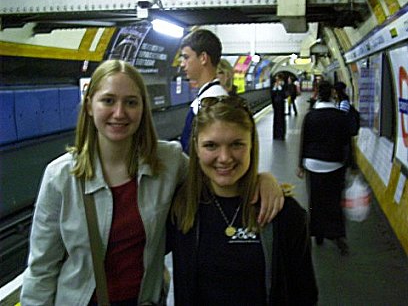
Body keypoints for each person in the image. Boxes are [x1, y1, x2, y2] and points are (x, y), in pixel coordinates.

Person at [20, 60, 284, 305]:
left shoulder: (168, 162)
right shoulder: (60, 177)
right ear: (89, 105)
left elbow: (218, 176)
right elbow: (42, 269)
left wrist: (262, 178)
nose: (119, 113)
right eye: (108, 101)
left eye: (131, 102)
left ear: (143, 107)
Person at [168, 95, 318, 305]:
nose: (224, 158)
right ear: (196, 147)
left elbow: (304, 293)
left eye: (236, 144)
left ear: (251, 144)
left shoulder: (284, 213)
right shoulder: (181, 209)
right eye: (211, 146)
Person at [297, 80, 351, 256]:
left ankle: (317, 233)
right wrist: (351, 164)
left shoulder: (311, 116)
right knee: (335, 201)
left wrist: (300, 165)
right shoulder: (340, 117)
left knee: (315, 200)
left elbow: (304, 141)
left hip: (313, 163)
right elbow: (346, 143)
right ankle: (337, 235)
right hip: (335, 163)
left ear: (317, 93)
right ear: (333, 94)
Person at [179, 29, 228, 154]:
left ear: (203, 58)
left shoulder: (212, 102)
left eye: (186, 57)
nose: (182, 64)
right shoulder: (211, 96)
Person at [270, 73, 286, 140]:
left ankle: (281, 134)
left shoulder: (283, 85)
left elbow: (284, 94)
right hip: (276, 104)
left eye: (278, 78)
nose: (277, 80)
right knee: (276, 119)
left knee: (281, 119)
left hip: (281, 104)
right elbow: (272, 94)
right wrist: (275, 88)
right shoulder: (274, 85)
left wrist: (279, 87)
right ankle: (275, 135)